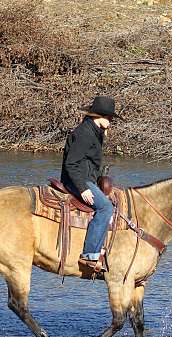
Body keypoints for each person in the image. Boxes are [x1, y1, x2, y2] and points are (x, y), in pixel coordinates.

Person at [61, 96, 120, 269]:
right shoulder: (84, 134)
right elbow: (71, 164)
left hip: (87, 179)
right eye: (108, 117)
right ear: (97, 116)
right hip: (76, 180)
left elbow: (92, 163)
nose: (110, 121)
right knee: (105, 208)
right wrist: (82, 188)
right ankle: (89, 254)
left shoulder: (95, 132)